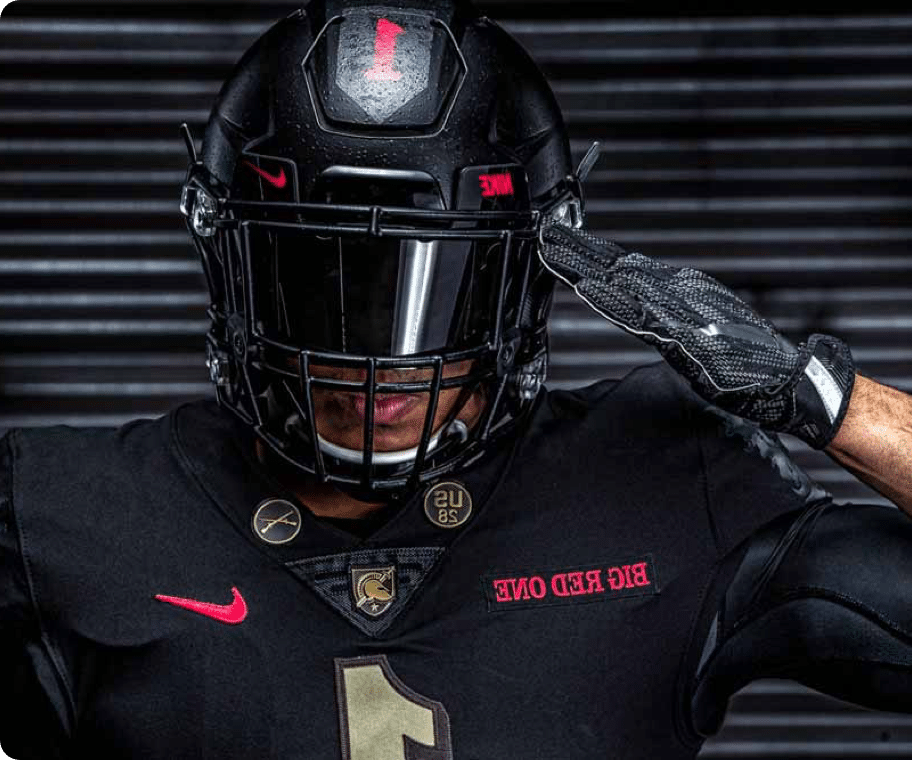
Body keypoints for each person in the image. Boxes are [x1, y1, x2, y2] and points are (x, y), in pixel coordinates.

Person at [2, 1, 912, 757]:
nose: (381, 360)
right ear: (232, 262)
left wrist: (819, 397)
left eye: (440, 287)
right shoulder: (60, 515)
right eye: (326, 283)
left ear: (530, 269)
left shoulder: (668, 477)